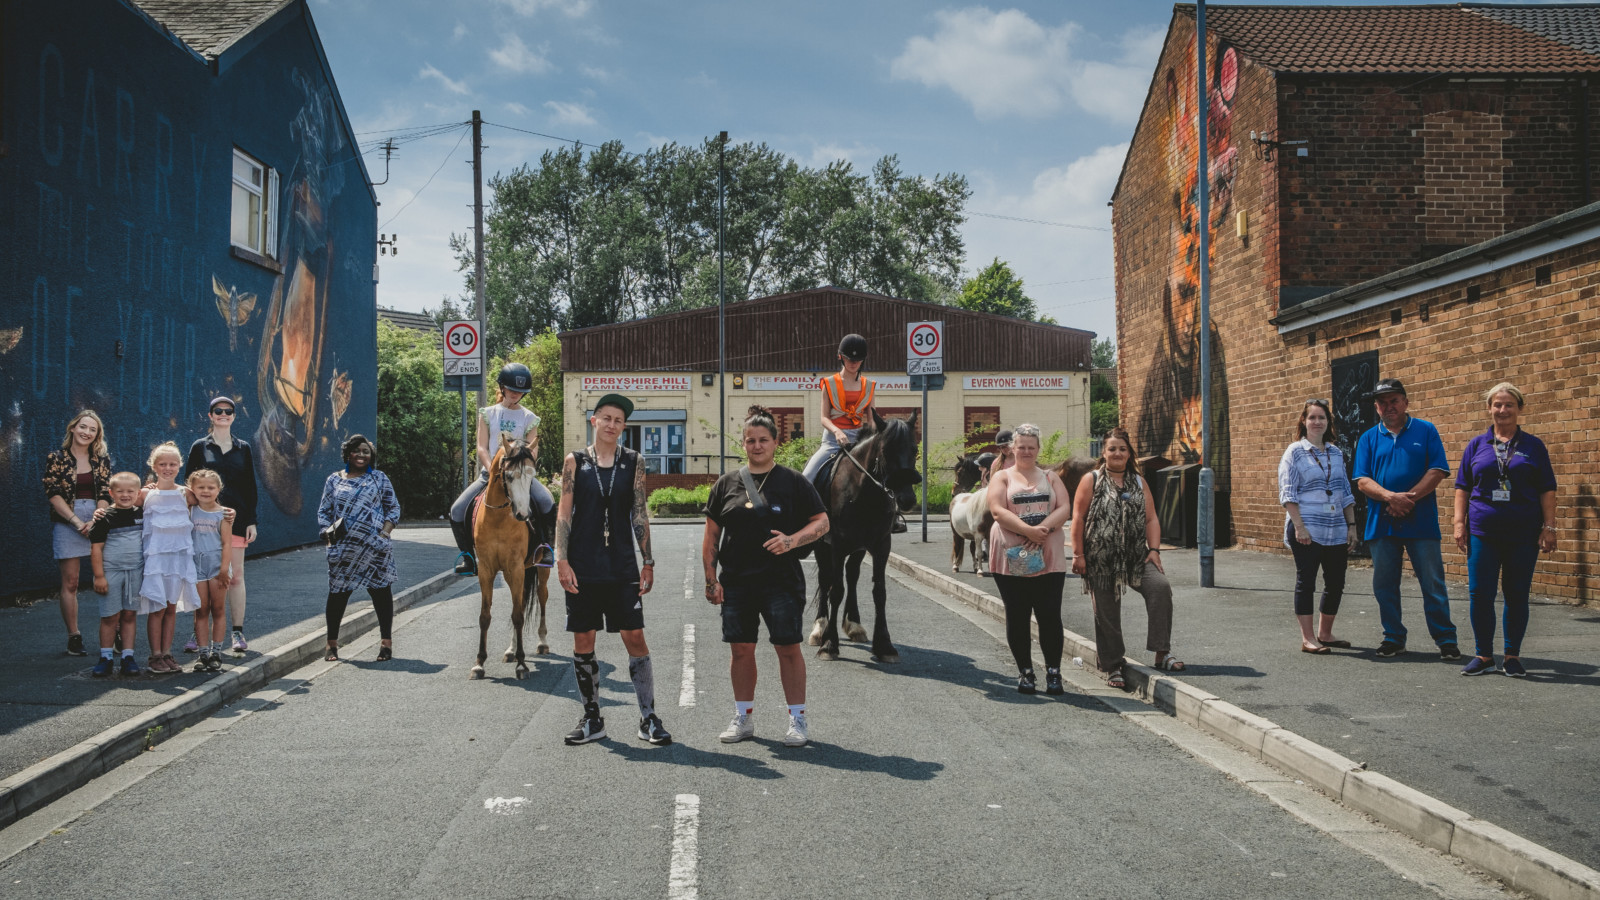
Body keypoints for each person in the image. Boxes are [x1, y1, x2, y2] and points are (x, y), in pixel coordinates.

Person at [703, 406, 830, 746]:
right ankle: (743, 718)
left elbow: (822, 521)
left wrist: (792, 540)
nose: (756, 446)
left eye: (763, 440)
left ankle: (798, 720)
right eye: (750, 441)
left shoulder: (794, 482)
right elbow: (711, 536)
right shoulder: (726, 484)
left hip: (781, 583)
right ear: (742, 444)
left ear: (775, 443)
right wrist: (710, 579)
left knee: (787, 648)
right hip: (737, 582)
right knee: (741, 650)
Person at [554, 393, 670, 747]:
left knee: (634, 637)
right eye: (606, 418)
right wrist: (561, 560)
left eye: (618, 420)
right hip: (583, 565)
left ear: (623, 426)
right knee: (583, 638)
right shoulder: (574, 462)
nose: (611, 425)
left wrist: (647, 561)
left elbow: (639, 512)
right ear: (594, 421)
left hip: (622, 566)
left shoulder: (634, 461)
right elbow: (564, 513)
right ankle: (592, 717)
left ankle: (648, 717)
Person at [1452, 383, 1558, 677]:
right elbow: (1462, 486)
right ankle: (1484, 655)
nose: (1502, 410)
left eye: (1509, 404)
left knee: (1516, 594)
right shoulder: (1477, 445)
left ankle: (1512, 656)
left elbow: (1547, 489)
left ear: (1519, 409)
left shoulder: (1533, 446)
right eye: (1497, 404)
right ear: (1489, 408)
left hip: (1522, 533)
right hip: (1483, 531)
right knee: (1480, 594)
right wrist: (1459, 523)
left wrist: (1549, 527)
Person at [1351, 378, 1459, 660]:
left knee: (1433, 583)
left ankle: (1446, 639)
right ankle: (1393, 637)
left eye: (1394, 400)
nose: (1389, 406)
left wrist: (1406, 500)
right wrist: (1390, 498)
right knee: (1385, 584)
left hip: (1421, 520)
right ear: (1376, 407)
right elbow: (1362, 480)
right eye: (1383, 402)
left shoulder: (1425, 430)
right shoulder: (1368, 438)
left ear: (1406, 402)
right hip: (1382, 520)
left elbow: (1437, 471)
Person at [1070, 428, 1180, 690]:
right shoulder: (1092, 479)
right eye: (1112, 449)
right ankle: (1113, 664)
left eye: (1122, 449)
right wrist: (1078, 554)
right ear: (1104, 453)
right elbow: (1078, 518)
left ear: (1129, 453)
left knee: (1160, 588)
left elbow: (1152, 518)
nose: (1117, 453)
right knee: (1106, 612)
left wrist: (1154, 550)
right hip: (1101, 559)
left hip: (1136, 556)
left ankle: (1161, 652)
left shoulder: (1139, 482)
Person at [986, 424, 1071, 694]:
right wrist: (1028, 532)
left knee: (1049, 615)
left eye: (1031, 447)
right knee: (1018, 614)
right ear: (1013, 448)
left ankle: (1054, 673)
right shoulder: (1001, 477)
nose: (1025, 451)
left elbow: (1064, 507)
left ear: (1038, 449)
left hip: (1048, 554)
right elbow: (998, 510)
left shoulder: (1050, 476)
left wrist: (1042, 531)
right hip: (1012, 555)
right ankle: (1025, 672)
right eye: (1021, 446)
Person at [449, 363, 556, 576]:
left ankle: (545, 549)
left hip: (519, 475)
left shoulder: (529, 417)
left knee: (546, 502)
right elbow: (481, 446)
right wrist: (493, 471)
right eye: (512, 389)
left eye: (521, 392)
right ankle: (468, 557)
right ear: (502, 387)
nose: (516, 394)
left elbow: (533, 449)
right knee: (457, 510)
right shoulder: (488, 413)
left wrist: (522, 468)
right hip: (490, 474)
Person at [1277, 399, 1360, 654]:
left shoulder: (1335, 453)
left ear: (1328, 423)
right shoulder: (1294, 451)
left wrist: (1352, 525)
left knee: (1336, 582)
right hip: (1306, 528)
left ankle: (1325, 633)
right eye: (1312, 417)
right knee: (1307, 582)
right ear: (1304, 421)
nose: (1317, 422)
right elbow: (1287, 493)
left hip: (1335, 528)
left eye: (1322, 418)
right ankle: (1308, 638)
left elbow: (1344, 491)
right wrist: (1299, 527)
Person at [317, 435, 401, 662]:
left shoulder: (379, 479)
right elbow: (324, 511)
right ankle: (331, 645)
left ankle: (386, 644)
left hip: (375, 549)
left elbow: (393, 508)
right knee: (337, 596)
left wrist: (384, 534)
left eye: (366, 451)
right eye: (357, 451)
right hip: (343, 550)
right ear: (348, 454)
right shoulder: (334, 480)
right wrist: (326, 532)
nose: (362, 455)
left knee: (381, 595)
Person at [185, 396, 259, 653]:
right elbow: (188, 486)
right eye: (219, 411)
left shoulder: (244, 448)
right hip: (203, 522)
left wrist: (251, 520)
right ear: (210, 415)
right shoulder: (199, 447)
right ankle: (198, 633)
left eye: (229, 411)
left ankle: (237, 633)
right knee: (202, 577)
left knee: (235, 576)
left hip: (234, 521)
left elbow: (250, 486)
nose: (223, 414)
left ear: (234, 416)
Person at [43, 410, 113, 656]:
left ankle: (112, 632)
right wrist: (75, 521)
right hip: (67, 519)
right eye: (83, 427)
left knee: (105, 579)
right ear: (73, 428)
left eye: (92, 429)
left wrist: (95, 519)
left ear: (97, 435)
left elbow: (106, 492)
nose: (87, 432)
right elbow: (53, 493)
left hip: (97, 517)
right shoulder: (57, 457)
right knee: (71, 582)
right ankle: (74, 636)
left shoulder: (101, 459)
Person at [138, 443, 202, 674]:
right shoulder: (145, 494)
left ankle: (167, 653)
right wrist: (101, 510)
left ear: (179, 466)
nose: (167, 468)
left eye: (172, 464)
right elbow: (120, 501)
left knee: (171, 607)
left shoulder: (186, 494)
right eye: (162, 464)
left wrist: (230, 513)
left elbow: (211, 500)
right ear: (154, 466)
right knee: (157, 607)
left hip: (178, 559)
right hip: (155, 561)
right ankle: (154, 655)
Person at [87, 472, 146, 677]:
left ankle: (128, 657)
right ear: (111, 493)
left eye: (131, 491)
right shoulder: (105, 517)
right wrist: (99, 576)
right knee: (109, 616)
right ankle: (106, 657)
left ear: (138, 493)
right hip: (111, 573)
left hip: (135, 572)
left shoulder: (142, 514)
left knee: (129, 615)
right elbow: (96, 549)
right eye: (120, 491)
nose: (125, 495)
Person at [801, 334, 878, 482]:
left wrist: (875, 437)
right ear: (840, 357)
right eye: (849, 358)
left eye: (857, 360)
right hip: (832, 441)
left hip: (860, 440)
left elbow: (872, 419)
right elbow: (824, 418)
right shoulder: (829, 383)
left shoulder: (869, 386)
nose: (853, 363)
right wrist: (837, 431)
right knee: (806, 477)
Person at [187, 470, 235, 673]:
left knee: (218, 609)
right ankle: (202, 653)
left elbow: (226, 543)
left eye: (210, 487)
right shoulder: (189, 510)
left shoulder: (223, 513)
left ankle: (217, 652)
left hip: (217, 566)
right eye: (201, 487)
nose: (206, 491)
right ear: (192, 489)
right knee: (201, 610)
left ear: (218, 489)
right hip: (196, 566)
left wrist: (224, 570)